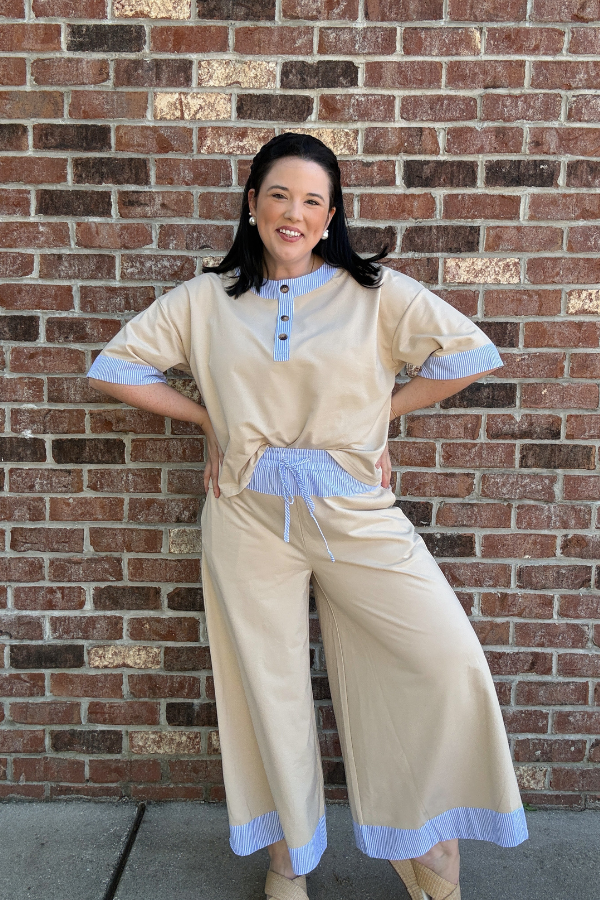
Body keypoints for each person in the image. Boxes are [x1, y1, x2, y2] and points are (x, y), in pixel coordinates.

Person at [87, 133, 528, 900]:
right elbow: (116, 369)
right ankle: (289, 856)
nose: (294, 213)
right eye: (280, 195)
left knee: (443, 659)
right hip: (247, 515)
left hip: (355, 512)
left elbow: (467, 356)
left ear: (330, 217)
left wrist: (378, 417)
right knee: (267, 688)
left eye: (312, 201)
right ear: (252, 203)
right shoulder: (205, 299)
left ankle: (424, 838)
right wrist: (210, 420)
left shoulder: (375, 292)